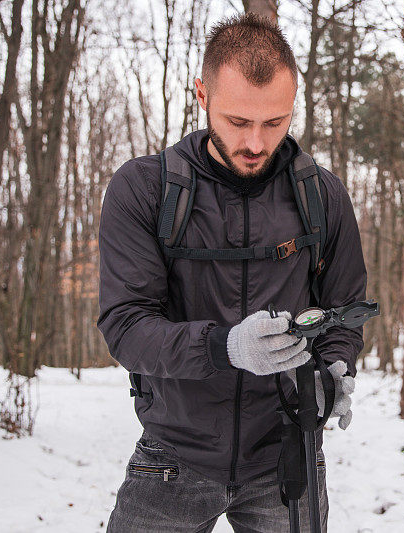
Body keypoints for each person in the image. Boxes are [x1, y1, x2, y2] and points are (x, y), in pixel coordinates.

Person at [97, 13, 367, 533]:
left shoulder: (323, 197)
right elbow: (126, 327)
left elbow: (343, 312)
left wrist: (335, 370)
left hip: (287, 455)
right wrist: (225, 347)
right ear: (201, 94)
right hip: (173, 456)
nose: (256, 144)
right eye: (238, 122)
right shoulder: (144, 191)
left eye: (275, 122)